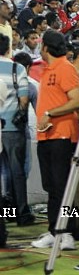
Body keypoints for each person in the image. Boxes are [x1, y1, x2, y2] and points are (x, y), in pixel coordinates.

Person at [30, 30, 79, 249]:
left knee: (61, 185)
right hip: (46, 135)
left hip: (62, 134)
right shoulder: (49, 69)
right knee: (51, 185)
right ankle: (54, 229)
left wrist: (51, 114)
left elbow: (76, 100)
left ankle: (66, 232)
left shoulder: (65, 67)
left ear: (46, 48)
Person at [0, 32, 33, 226]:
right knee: (16, 171)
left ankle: (5, 214)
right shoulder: (17, 68)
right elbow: (24, 99)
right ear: (8, 49)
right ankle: (20, 213)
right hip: (12, 127)